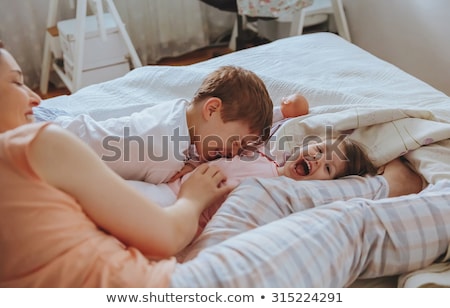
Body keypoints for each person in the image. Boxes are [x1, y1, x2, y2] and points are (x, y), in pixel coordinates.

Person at [3, 42, 448, 288]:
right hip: (174, 257)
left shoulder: (206, 129)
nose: (38, 99)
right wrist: (192, 197)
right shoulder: (139, 142)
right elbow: (95, 143)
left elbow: (241, 132)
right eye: (17, 83)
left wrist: (283, 116)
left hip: (180, 240)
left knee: (280, 198)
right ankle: (394, 191)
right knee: (348, 225)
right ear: (211, 109)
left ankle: (379, 189)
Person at [49, 65, 274, 184]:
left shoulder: (179, 110)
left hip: (62, 124)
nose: (232, 154)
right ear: (212, 109)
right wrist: (192, 168)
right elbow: (173, 179)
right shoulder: (165, 155)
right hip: (52, 146)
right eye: (236, 142)